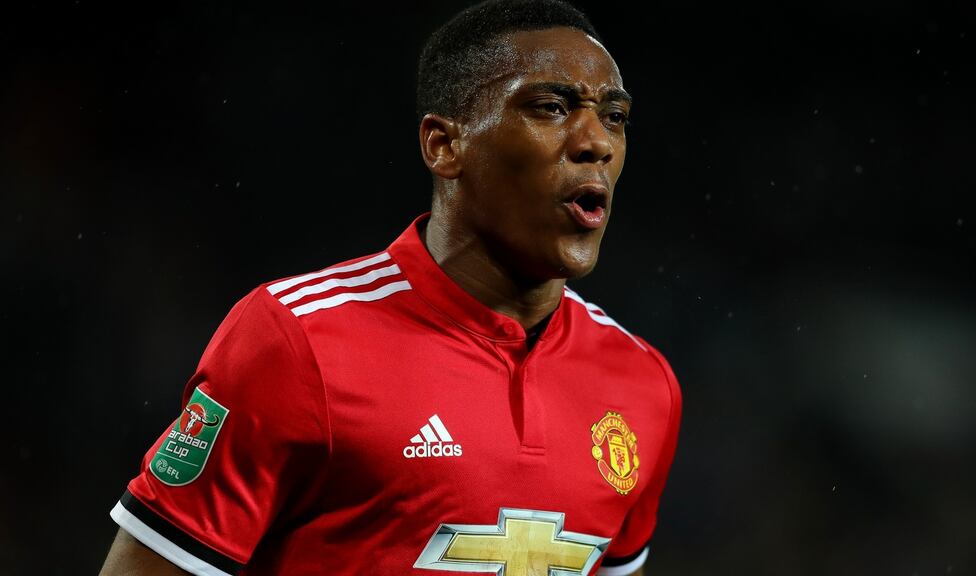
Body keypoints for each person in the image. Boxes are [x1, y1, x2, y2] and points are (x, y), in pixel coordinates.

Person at [98, 0, 682, 574]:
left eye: (615, 116)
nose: (597, 142)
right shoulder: (298, 341)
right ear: (444, 145)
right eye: (552, 107)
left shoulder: (642, 383)